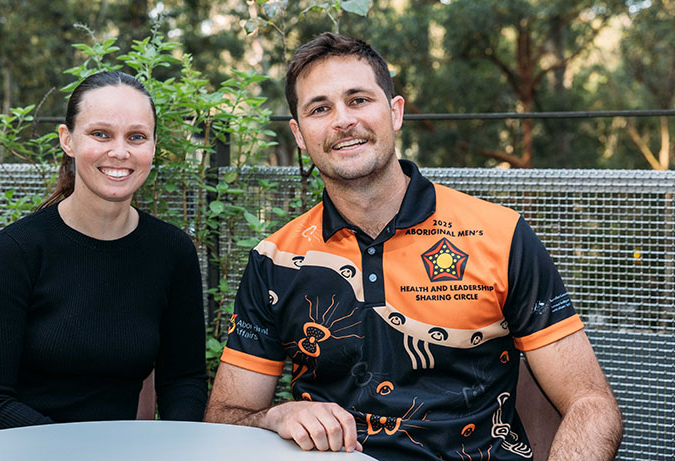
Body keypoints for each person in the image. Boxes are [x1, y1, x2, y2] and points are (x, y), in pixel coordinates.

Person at [204, 33, 622, 460]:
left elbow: (591, 405)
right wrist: (274, 416)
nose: (342, 120)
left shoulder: (501, 234)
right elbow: (225, 418)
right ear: (298, 133)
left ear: (395, 111)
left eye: (359, 99)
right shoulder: (275, 260)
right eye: (320, 108)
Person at [0, 71, 207, 432]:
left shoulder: (172, 251)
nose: (120, 152)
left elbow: (184, 381)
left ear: (153, 146)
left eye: (136, 137)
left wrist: (173, 447)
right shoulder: (19, 249)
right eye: (100, 134)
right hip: (19, 451)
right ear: (68, 140)